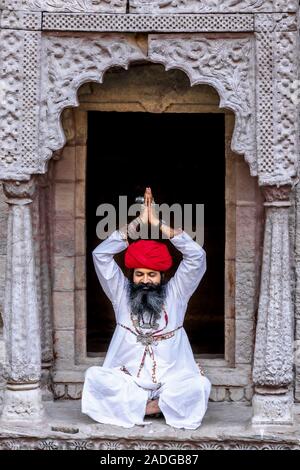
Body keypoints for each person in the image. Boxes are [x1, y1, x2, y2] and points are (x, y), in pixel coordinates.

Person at [82, 187, 211, 429]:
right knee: (94, 378)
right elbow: (100, 256)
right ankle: (153, 407)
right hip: (128, 379)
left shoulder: (176, 293)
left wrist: (159, 224)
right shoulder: (121, 292)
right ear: (132, 275)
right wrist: (138, 223)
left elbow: (197, 257)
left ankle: (143, 407)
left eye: (152, 274)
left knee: (200, 386)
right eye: (139, 274)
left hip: (170, 381)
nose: (145, 280)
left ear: (163, 276)